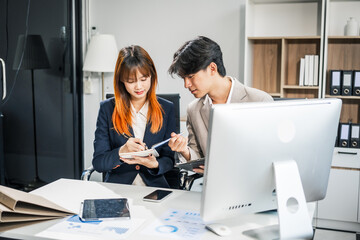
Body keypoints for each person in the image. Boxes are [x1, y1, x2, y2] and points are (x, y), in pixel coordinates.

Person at [167, 36, 273, 173]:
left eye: (191, 77)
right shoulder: (193, 109)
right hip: (213, 186)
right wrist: (184, 150)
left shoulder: (260, 101)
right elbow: (197, 156)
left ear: (212, 68)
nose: (186, 84)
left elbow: (269, 156)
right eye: (184, 78)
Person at [92, 45, 176, 188]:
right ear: (122, 81)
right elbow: (99, 162)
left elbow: (169, 159)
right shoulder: (107, 109)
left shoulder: (167, 109)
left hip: (154, 188)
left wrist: (154, 164)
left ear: (152, 76)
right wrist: (121, 151)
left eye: (144, 79)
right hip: (119, 188)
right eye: (131, 81)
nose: (138, 87)